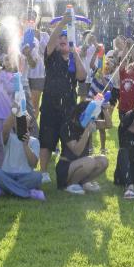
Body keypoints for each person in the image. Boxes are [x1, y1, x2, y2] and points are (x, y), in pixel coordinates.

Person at [38, 12, 87, 183]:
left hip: (69, 107)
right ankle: (43, 172)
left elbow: (82, 77)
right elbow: (50, 43)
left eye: (66, 37)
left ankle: (67, 172)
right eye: (60, 37)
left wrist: (75, 53)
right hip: (50, 105)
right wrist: (62, 23)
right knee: (46, 140)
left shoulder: (74, 60)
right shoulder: (52, 57)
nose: (62, 39)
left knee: (69, 141)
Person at [0, 108, 45, 200]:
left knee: (38, 176)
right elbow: (5, 128)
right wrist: (14, 111)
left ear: (30, 123)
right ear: (14, 123)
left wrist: (26, 145)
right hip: (7, 174)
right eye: (18, 118)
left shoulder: (34, 141)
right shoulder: (9, 137)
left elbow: (33, 163)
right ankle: (29, 193)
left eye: (25, 116)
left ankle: (4, 191)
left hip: (26, 176)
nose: (21, 118)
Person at [56, 102, 109, 195]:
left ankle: (83, 183)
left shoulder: (86, 122)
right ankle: (71, 185)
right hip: (66, 167)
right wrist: (87, 131)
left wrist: (105, 110)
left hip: (82, 162)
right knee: (90, 161)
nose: (92, 119)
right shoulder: (67, 127)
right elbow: (77, 151)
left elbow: (108, 125)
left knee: (104, 161)